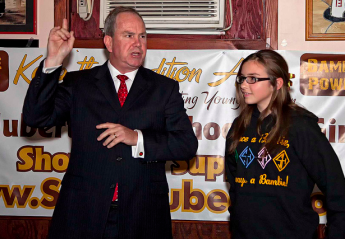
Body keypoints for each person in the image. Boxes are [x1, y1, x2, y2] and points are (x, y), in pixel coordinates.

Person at [23, 7, 198, 239]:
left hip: (143, 216)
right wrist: (54, 60)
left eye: (142, 36)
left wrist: (137, 138)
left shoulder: (164, 88)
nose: (138, 43)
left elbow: (186, 145)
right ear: (108, 42)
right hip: (84, 214)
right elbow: (36, 118)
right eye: (129, 35)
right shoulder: (79, 84)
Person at [225, 49, 345, 239]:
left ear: (277, 83)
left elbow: (336, 188)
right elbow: (234, 180)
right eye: (242, 79)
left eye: (253, 79)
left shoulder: (300, 125)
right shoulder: (240, 125)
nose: (244, 85)